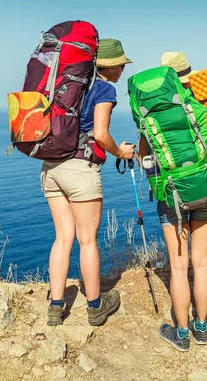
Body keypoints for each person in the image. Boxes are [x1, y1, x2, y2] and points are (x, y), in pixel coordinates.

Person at [142, 51, 207, 351]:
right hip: (204, 190)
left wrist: (157, 181)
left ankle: (182, 334)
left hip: (173, 194)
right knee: (201, 263)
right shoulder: (202, 105)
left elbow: (144, 157)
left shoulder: (153, 113)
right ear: (189, 77)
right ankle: (201, 328)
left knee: (178, 267)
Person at [42, 38, 135, 327]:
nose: (122, 70)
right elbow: (101, 133)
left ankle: (56, 308)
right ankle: (95, 306)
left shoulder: (65, 82)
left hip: (51, 167)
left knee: (62, 238)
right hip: (80, 169)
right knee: (87, 240)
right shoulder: (104, 88)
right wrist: (121, 152)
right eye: (121, 65)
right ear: (113, 66)